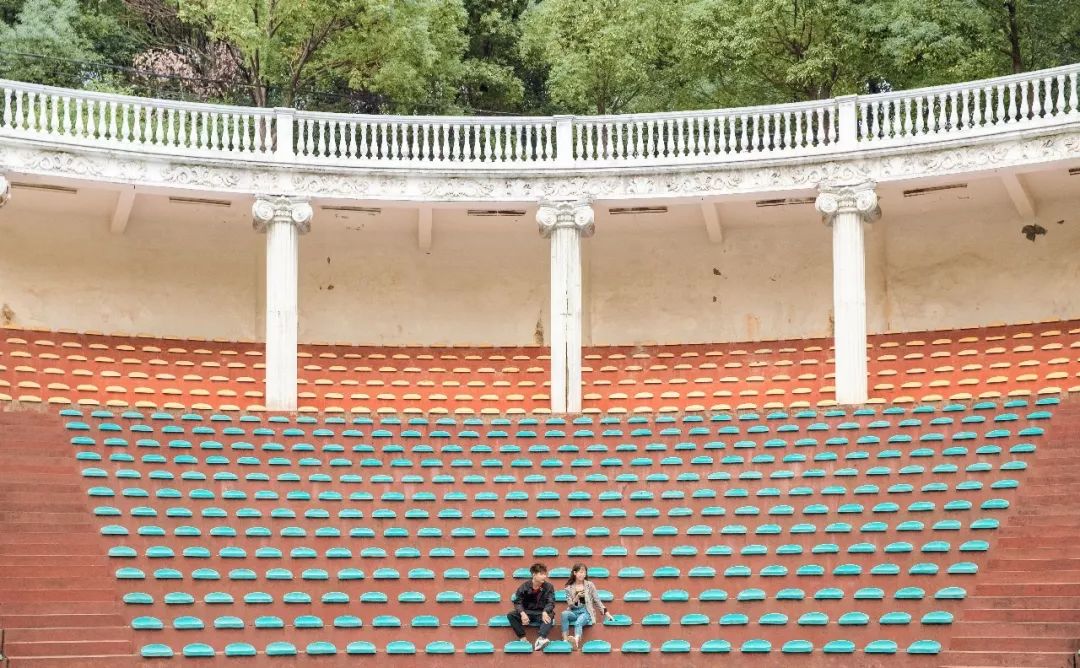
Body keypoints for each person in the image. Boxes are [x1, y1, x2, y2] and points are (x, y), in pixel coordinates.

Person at [561, 563, 614, 650]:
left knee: (579, 622)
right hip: (574, 611)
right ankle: (565, 640)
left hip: (586, 612)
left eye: (584, 572)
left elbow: (597, 601)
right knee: (564, 614)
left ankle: (576, 640)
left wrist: (607, 614)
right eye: (580, 572)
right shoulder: (568, 588)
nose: (582, 574)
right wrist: (576, 597)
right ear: (575, 573)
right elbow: (570, 604)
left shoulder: (590, 585)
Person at [507, 562, 556, 650]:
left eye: (545, 574)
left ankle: (541, 639)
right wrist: (522, 613)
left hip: (540, 613)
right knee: (511, 615)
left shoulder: (549, 587)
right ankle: (523, 638)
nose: (544, 576)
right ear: (534, 575)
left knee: (550, 614)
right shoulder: (524, 586)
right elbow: (518, 602)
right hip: (527, 612)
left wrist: (545, 611)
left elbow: (551, 602)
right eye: (541, 574)